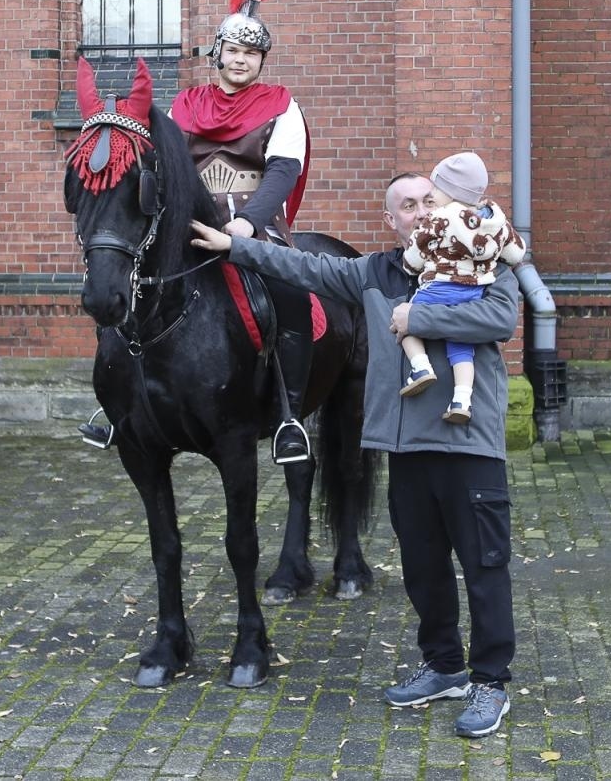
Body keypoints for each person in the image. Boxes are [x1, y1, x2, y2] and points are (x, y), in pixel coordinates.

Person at [189, 172, 522, 739]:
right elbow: (307, 269)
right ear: (390, 221)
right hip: (404, 446)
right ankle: (444, 666)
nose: (419, 212)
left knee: (484, 566)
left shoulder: (481, 257)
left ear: (443, 205)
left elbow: (501, 319)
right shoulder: (376, 272)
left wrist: (420, 319)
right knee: (423, 567)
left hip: (468, 444)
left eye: (427, 201)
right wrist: (235, 246)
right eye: (406, 207)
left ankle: (490, 681)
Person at [78, 0, 315, 465]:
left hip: (254, 224)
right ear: (218, 54)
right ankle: (115, 403)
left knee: (291, 298)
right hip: (189, 224)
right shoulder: (187, 104)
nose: (241, 60)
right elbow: (168, 167)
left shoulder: (282, 106)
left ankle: (290, 415)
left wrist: (248, 225)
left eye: (251, 53)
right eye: (233, 50)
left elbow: (283, 171)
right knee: (128, 288)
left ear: (261, 60)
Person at [399, 152, 526, 425]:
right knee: (461, 346)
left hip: (440, 286)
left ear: (449, 191)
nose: (432, 195)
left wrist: (410, 267)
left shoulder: (441, 218)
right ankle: (462, 400)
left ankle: (420, 367)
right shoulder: (497, 221)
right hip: (474, 292)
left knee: (405, 320)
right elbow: (516, 254)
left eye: (436, 188)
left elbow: (416, 252)